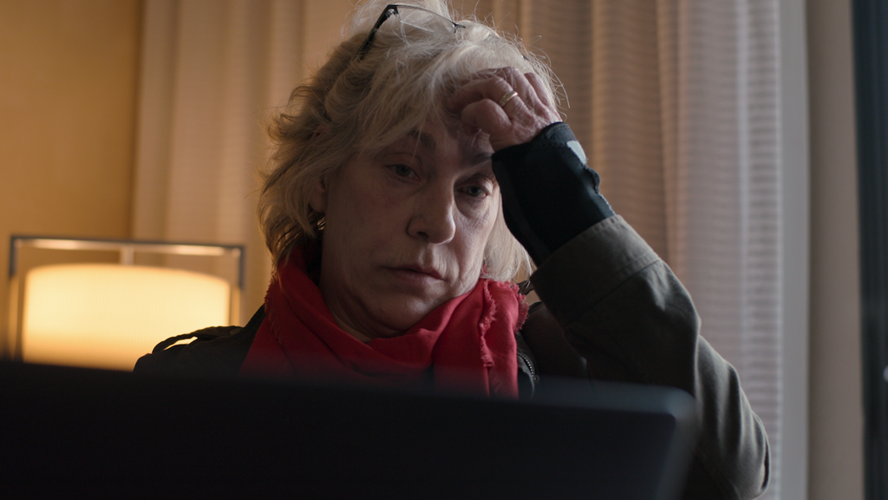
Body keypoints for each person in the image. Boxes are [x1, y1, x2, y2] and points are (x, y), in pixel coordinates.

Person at [135, 1, 770, 498]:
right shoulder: (187, 393)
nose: (437, 223)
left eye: (473, 189)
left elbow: (729, 478)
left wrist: (569, 205)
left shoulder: (568, 372)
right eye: (402, 170)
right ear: (322, 176)